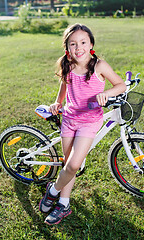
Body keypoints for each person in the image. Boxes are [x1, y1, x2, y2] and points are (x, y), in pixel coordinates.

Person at [39, 23, 126, 225]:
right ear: (67, 48)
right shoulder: (68, 66)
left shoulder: (99, 66)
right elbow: (64, 84)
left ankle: (52, 190)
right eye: (73, 44)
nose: (79, 48)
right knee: (67, 164)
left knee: (74, 164)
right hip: (69, 120)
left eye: (83, 42)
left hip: (89, 122)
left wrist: (107, 93)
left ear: (91, 44)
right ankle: (64, 203)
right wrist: (58, 102)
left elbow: (120, 85)